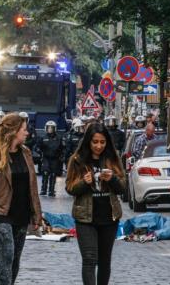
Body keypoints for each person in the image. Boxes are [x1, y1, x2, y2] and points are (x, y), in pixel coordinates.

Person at [0, 113, 42, 285]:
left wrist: (36, 215)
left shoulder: (26, 153)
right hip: (1, 213)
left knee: (15, 259)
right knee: (7, 254)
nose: (27, 133)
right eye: (24, 130)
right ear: (14, 131)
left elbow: (32, 187)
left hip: (21, 214)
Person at [65, 122, 125, 285]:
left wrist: (112, 178)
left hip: (109, 217)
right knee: (90, 259)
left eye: (102, 142)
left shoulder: (113, 158)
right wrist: (84, 183)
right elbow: (70, 188)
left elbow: (123, 188)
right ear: (88, 142)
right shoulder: (77, 160)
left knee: (105, 261)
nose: (98, 146)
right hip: (85, 218)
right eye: (95, 142)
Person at [37, 121, 63, 197]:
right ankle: (43, 189)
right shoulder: (43, 137)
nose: (50, 129)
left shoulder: (58, 138)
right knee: (45, 173)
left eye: (52, 128)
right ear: (46, 128)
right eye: (49, 127)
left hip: (55, 159)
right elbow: (37, 146)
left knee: (53, 174)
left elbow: (63, 148)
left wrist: (62, 156)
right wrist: (39, 150)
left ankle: (51, 190)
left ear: (55, 128)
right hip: (46, 158)